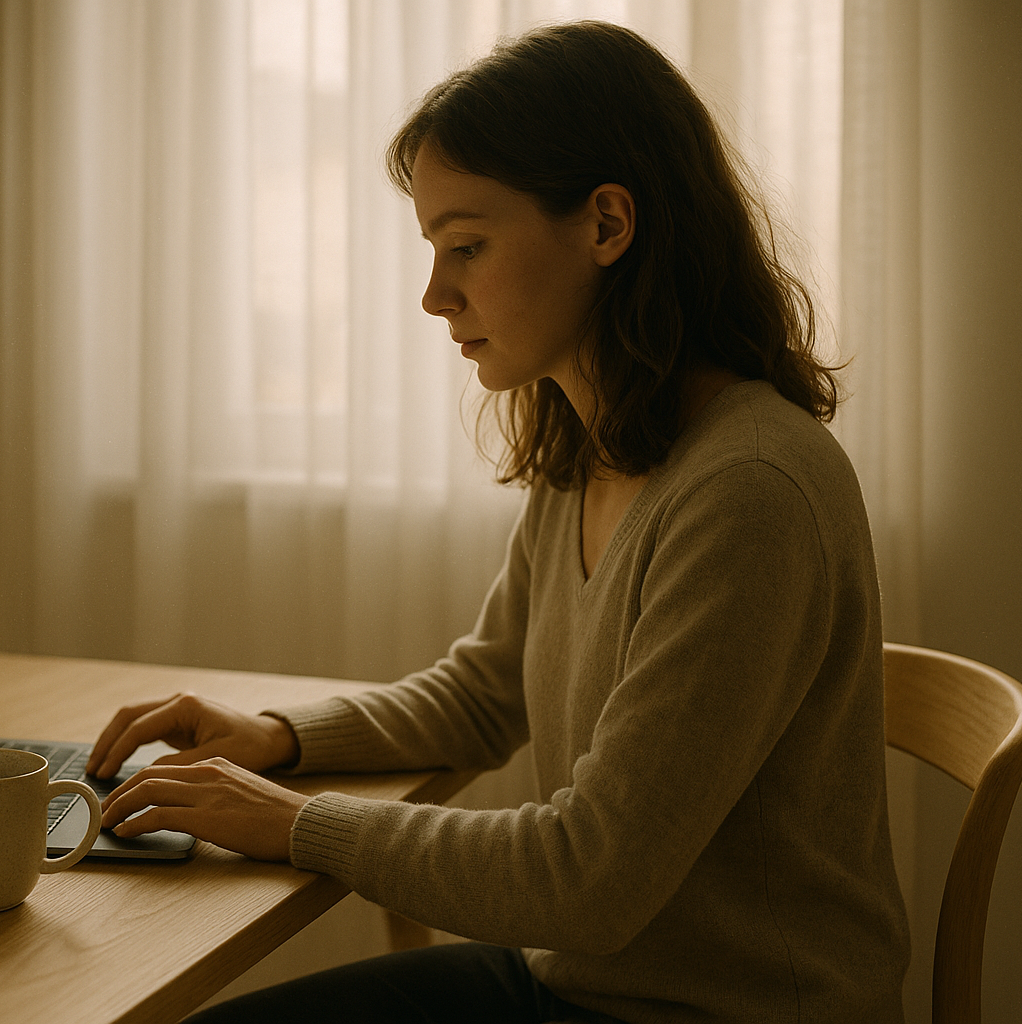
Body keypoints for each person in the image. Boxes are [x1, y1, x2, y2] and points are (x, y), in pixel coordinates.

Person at [86, 20, 911, 1024]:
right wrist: (273, 740)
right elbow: (483, 695)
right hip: (585, 986)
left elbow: (588, 878)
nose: (436, 296)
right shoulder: (600, 444)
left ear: (607, 225)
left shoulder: (749, 493)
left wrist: (291, 824)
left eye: (466, 247)